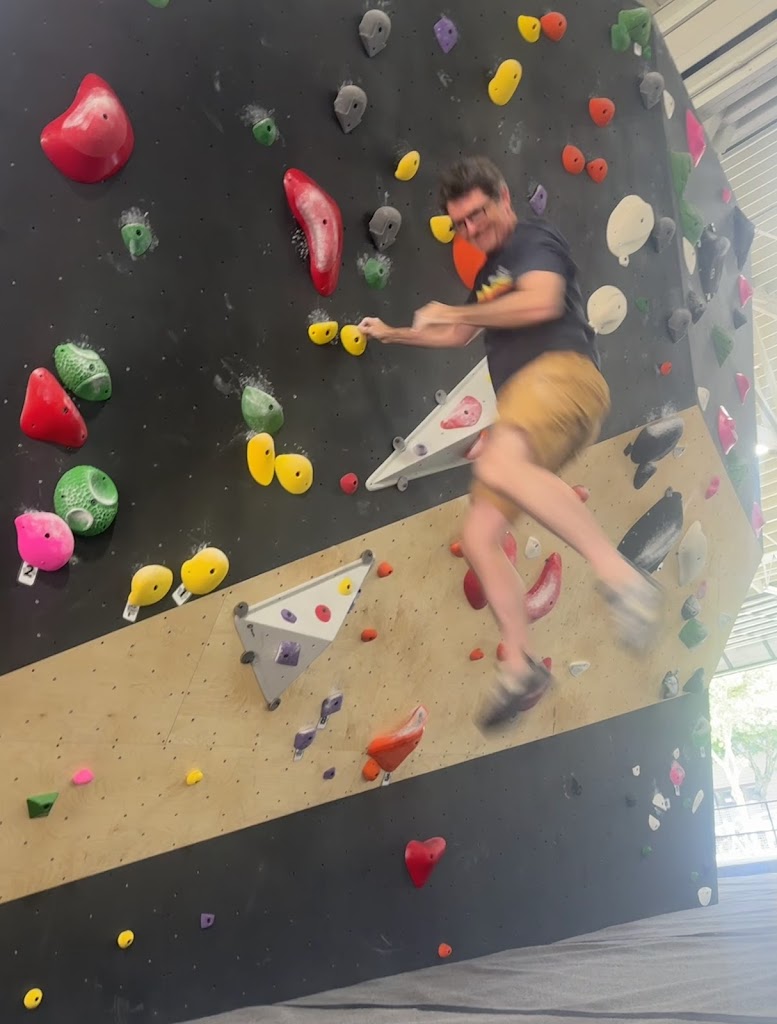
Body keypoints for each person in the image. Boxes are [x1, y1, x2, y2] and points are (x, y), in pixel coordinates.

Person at [358, 156, 663, 731]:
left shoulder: (532, 240)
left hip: (561, 377)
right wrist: (393, 332)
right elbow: (459, 334)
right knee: (479, 535)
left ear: (502, 198)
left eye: (477, 215)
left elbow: (542, 302)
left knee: (498, 458)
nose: (471, 230)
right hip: (531, 400)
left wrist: (456, 307)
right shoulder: (489, 274)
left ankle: (622, 579)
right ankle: (521, 666)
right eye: (460, 225)